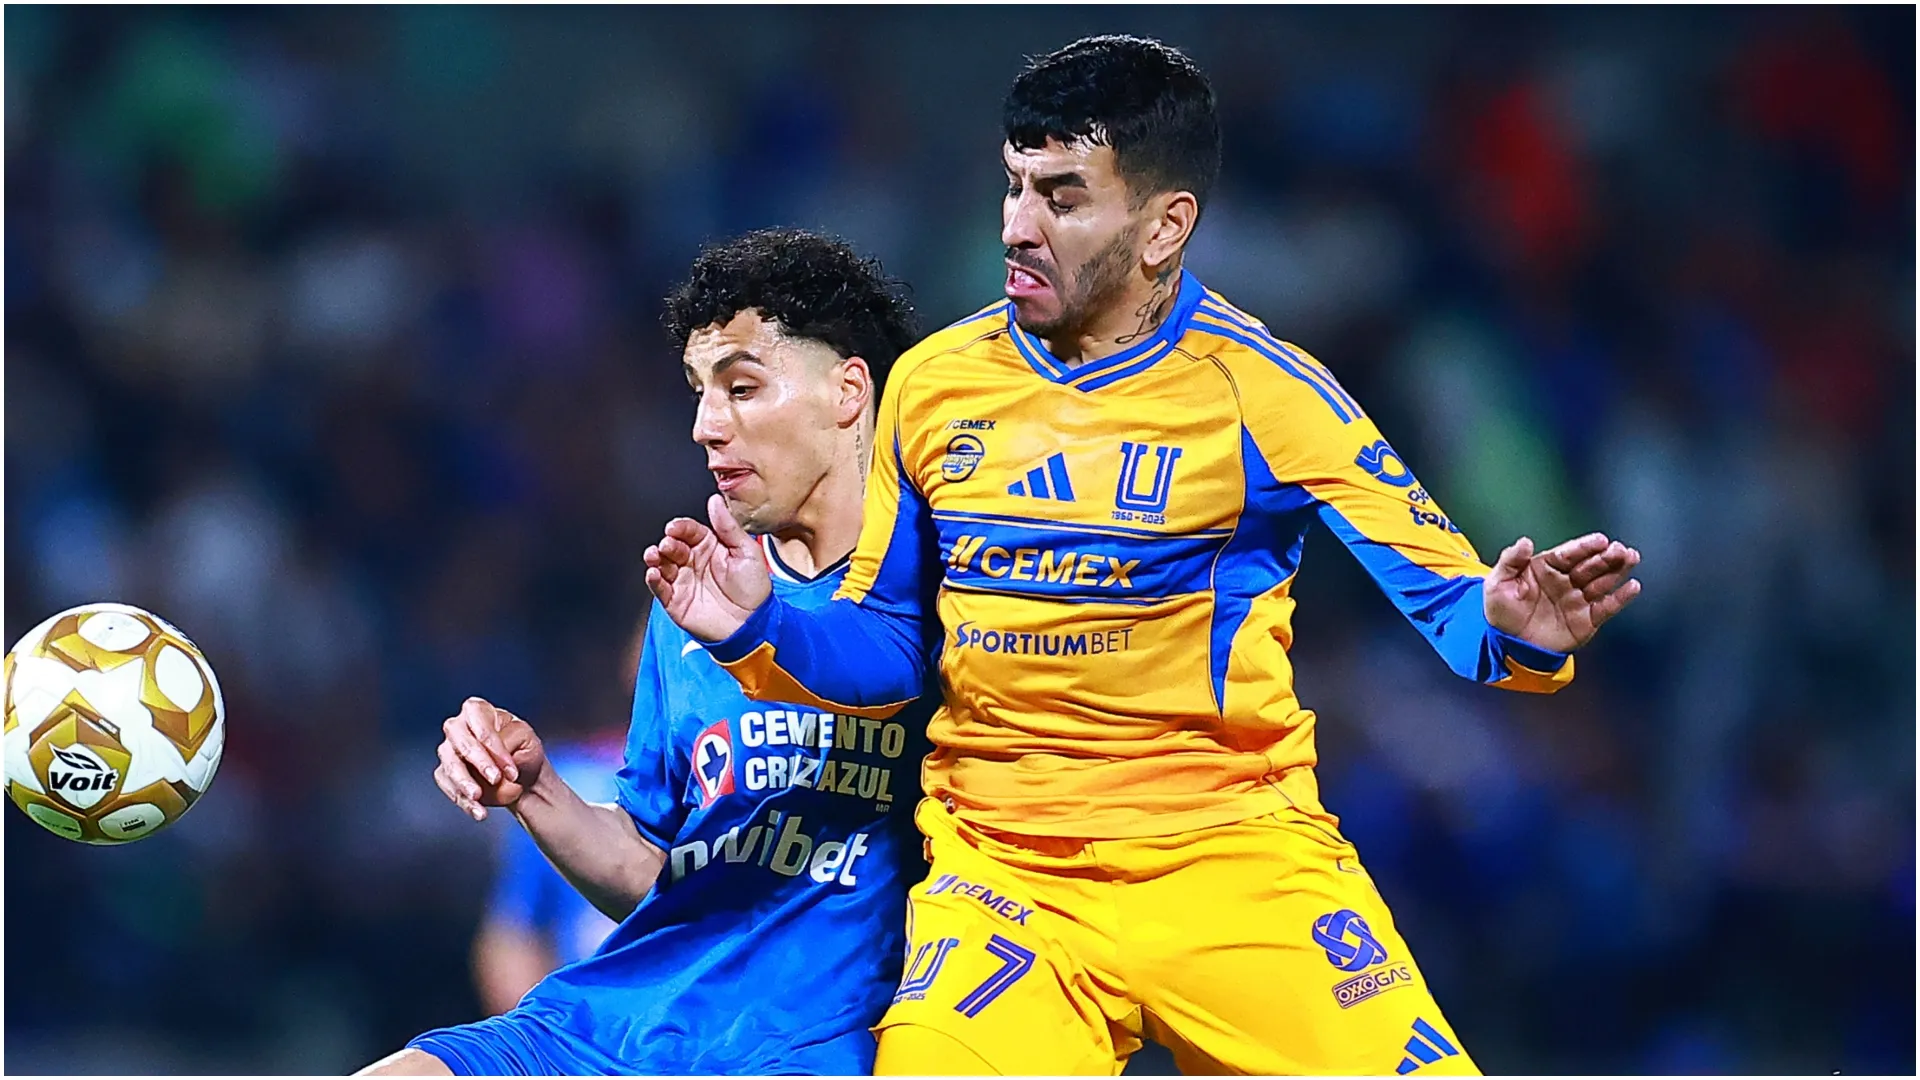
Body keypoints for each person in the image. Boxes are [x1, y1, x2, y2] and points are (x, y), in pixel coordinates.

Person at [644, 35, 1643, 1077]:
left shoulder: (1266, 393)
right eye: (1013, 186)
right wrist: (766, 628)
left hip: (1230, 864)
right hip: (1006, 892)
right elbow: (897, 640)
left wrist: (1514, 630)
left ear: (1166, 227)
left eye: (1062, 199)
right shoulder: (935, 385)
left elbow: (1453, 602)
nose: (1017, 228)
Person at [360, 228, 930, 1075]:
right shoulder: (692, 599)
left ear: (849, 391)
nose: (705, 425)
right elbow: (652, 864)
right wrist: (536, 788)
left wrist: (760, 632)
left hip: (807, 1048)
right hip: (616, 1022)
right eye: (699, 392)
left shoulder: (952, 583)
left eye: (741, 387)